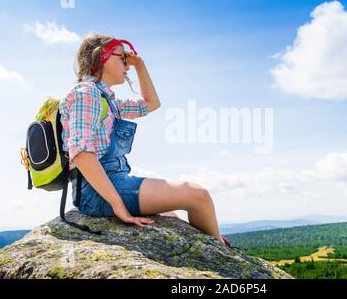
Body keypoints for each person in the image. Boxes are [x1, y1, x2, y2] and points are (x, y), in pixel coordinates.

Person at [59, 33, 231, 248]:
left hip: (111, 181)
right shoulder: (86, 93)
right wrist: (118, 206)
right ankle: (222, 251)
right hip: (97, 192)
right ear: (101, 57)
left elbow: (151, 103)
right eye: (122, 58)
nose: (127, 65)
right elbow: (82, 154)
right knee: (198, 195)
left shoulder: (107, 100)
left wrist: (140, 65)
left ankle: (214, 249)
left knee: (173, 215)